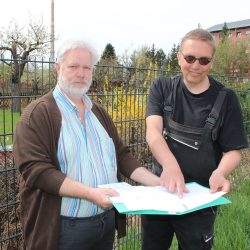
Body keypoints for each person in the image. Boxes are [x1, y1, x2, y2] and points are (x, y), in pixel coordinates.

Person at [13, 40, 160, 250]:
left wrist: (156, 182)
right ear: (58, 67)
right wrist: (91, 194)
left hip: (105, 224)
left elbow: (121, 155)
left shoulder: (98, 113)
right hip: (62, 229)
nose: (81, 74)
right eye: (73, 66)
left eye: (87, 68)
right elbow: (36, 171)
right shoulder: (38, 114)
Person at [141, 28, 249, 250]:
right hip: (162, 191)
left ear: (211, 62)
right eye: (190, 58)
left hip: (200, 199)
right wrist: (170, 166)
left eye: (203, 60)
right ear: (179, 56)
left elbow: (233, 151)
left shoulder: (226, 98)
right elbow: (153, 132)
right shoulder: (162, 87)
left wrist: (220, 173)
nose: (196, 65)